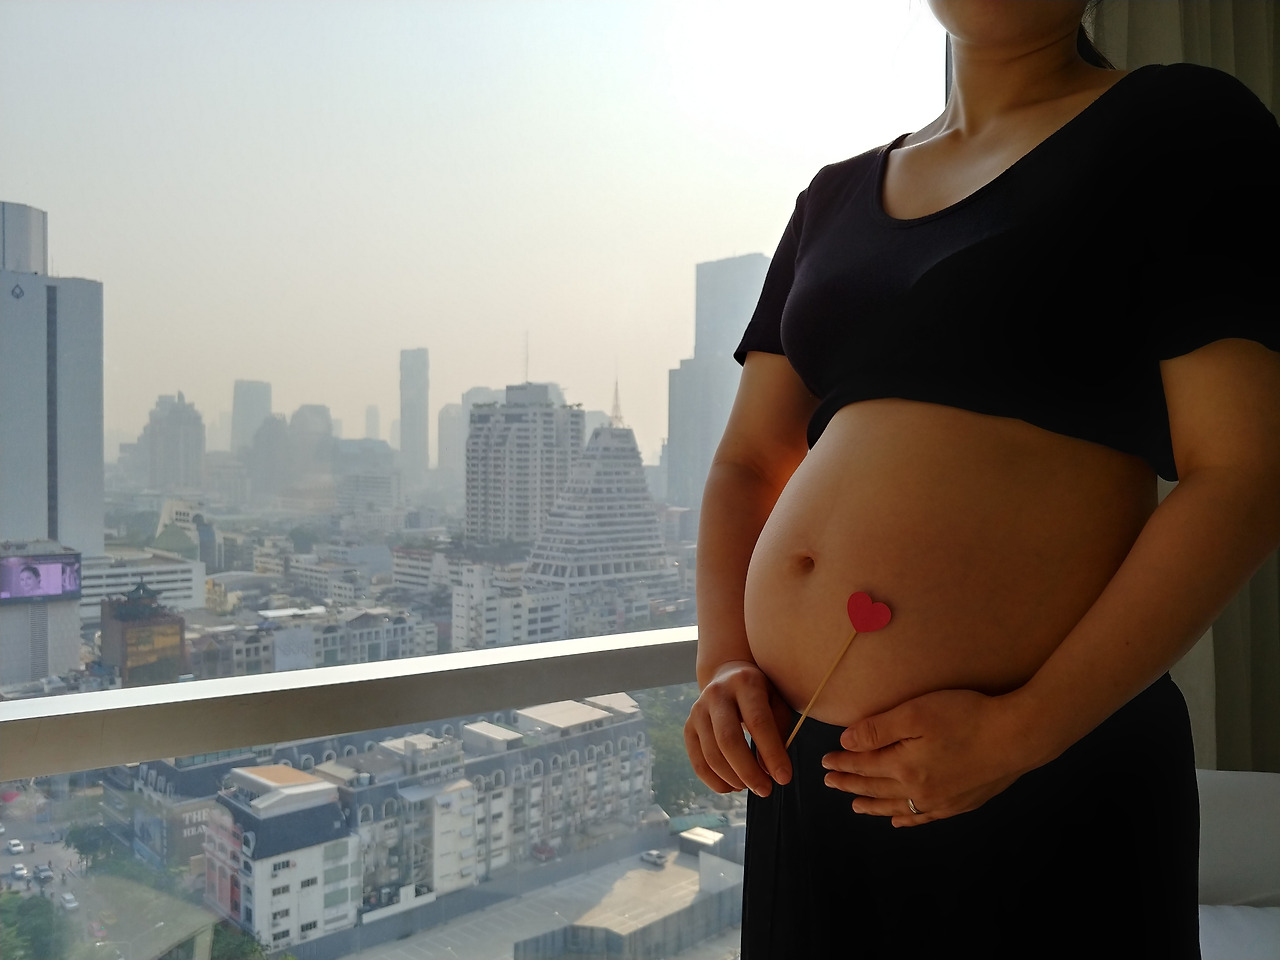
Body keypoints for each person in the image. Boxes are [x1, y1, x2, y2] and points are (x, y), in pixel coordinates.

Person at [683, 2, 1280, 957]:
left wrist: (1020, 734)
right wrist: (723, 662)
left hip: (1045, 760)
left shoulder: (1178, 125)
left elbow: (1245, 473)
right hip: (803, 769)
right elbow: (749, 462)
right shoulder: (832, 197)